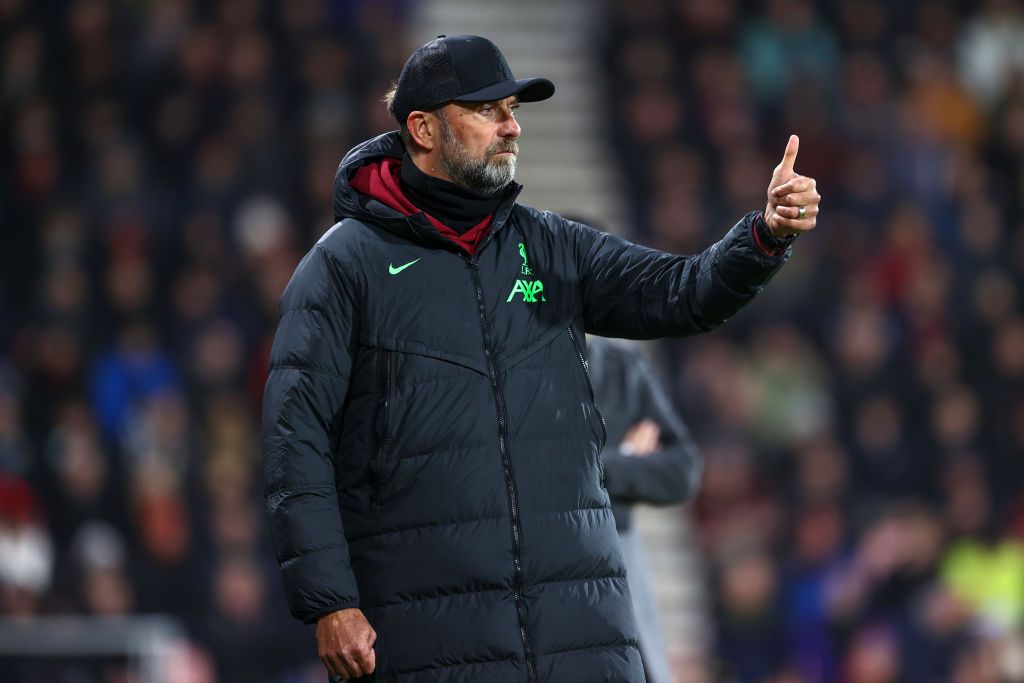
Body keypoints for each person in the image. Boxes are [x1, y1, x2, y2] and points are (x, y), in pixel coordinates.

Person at [261, 34, 820, 682]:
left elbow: (681, 291)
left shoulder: (551, 246)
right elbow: (293, 438)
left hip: (580, 634)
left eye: (513, 109)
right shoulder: (342, 267)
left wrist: (764, 235)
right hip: (428, 640)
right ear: (422, 129)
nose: (512, 126)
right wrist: (330, 599)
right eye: (487, 110)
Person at [587, 336, 702, 683]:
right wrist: (625, 460)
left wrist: (603, 468)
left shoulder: (623, 364)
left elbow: (683, 470)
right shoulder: (506, 363)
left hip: (620, 553)